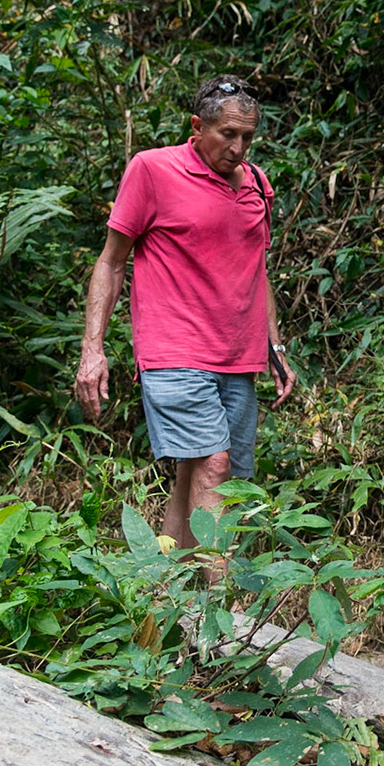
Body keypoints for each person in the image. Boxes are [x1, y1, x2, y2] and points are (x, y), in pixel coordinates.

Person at [74, 76, 296, 574]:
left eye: (248, 138)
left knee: (203, 474)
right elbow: (110, 263)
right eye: (228, 134)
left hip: (239, 358)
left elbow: (256, 271)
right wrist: (93, 350)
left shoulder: (258, 184)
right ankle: (218, 621)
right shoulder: (153, 170)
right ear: (197, 127)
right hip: (173, 350)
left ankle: (159, 599)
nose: (238, 148)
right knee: (216, 468)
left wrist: (275, 349)